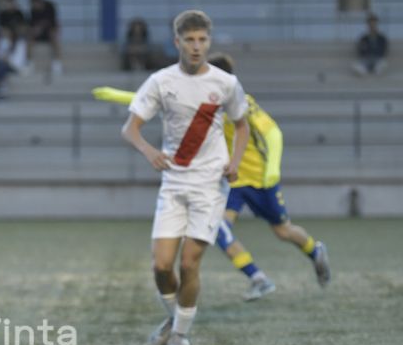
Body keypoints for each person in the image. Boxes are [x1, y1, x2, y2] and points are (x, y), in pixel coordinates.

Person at [93, 53, 332, 302]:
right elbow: (162, 100)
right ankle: (257, 277)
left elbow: (273, 133)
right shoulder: (199, 100)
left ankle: (315, 252)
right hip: (230, 179)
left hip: (260, 178)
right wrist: (119, 96)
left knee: (283, 231)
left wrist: (273, 168)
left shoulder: (242, 102)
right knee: (218, 228)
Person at [119, 10, 249, 345]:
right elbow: (130, 129)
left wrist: (234, 162)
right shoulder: (162, 81)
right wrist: (149, 151)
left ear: (209, 41)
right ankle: (177, 320)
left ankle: (179, 335)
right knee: (161, 266)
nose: (196, 46)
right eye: (189, 40)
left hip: (210, 185)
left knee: (189, 262)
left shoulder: (225, 83)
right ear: (177, 42)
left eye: (202, 40)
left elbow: (243, 124)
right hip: (174, 184)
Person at [27, 0, 61, 76]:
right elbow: (31, 24)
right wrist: (34, 30)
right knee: (29, 37)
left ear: (39, 1)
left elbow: (53, 22)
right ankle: (29, 62)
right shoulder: (33, 10)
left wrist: (40, 27)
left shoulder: (50, 6)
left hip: (49, 31)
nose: (35, 6)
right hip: (38, 33)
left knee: (53, 35)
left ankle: (57, 63)